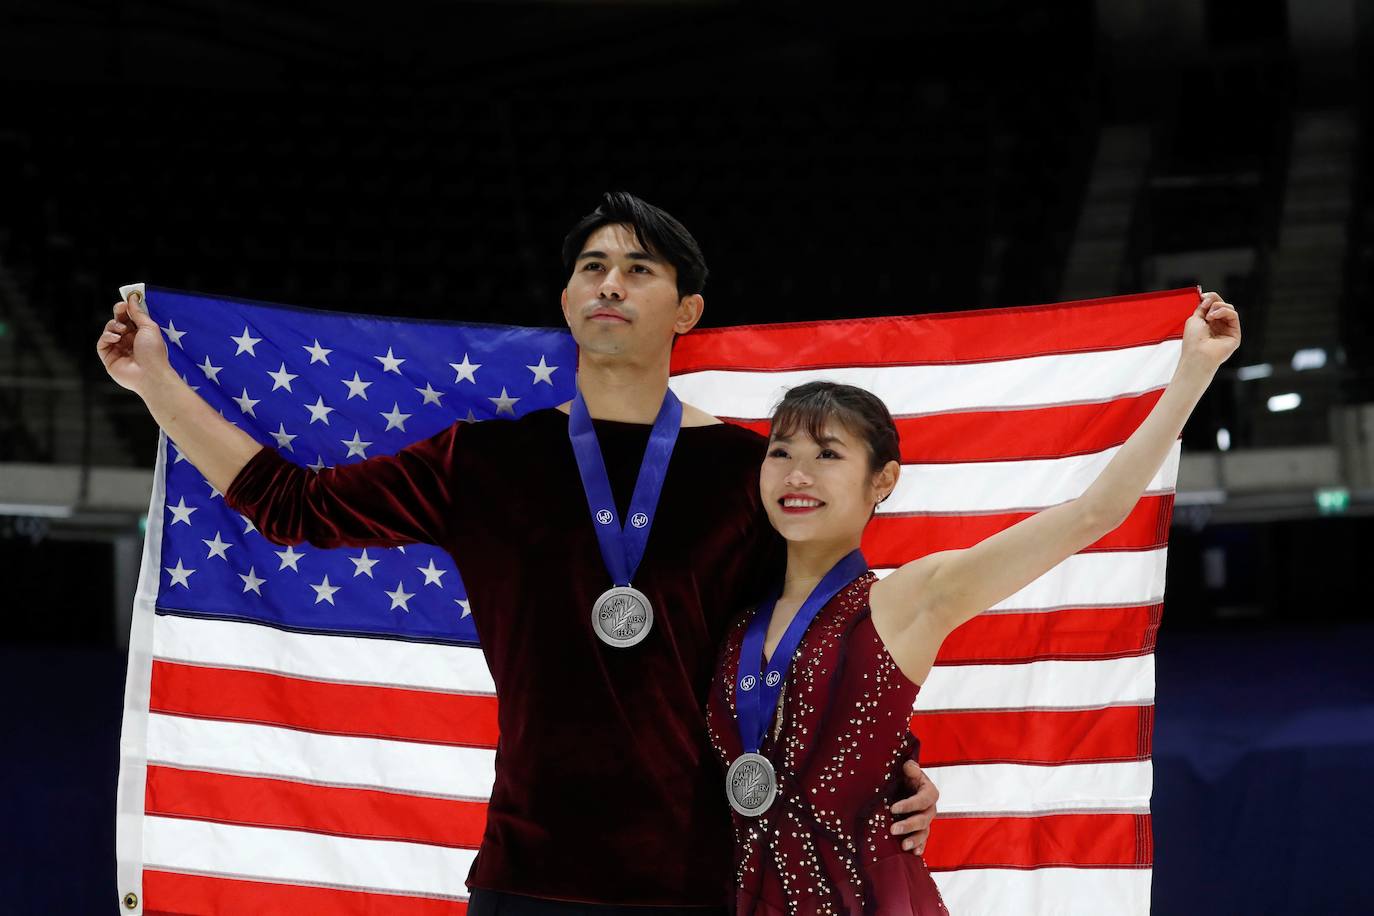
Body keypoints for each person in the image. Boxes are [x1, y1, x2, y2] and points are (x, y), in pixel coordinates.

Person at [95, 191, 941, 914]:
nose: (611, 281)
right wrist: (157, 385)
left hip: (703, 880)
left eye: (641, 268)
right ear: (569, 302)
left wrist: (896, 770)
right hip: (527, 876)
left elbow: (819, 635)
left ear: (687, 312)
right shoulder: (484, 461)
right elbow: (293, 506)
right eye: (593, 267)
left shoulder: (748, 475)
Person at [705, 292, 1241, 913]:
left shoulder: (910, 599)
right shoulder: (733, 615)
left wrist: (1195, 370)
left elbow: (1093, 514)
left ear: (883, 480)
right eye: (782, 453)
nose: (799, 474)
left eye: (827, 454)